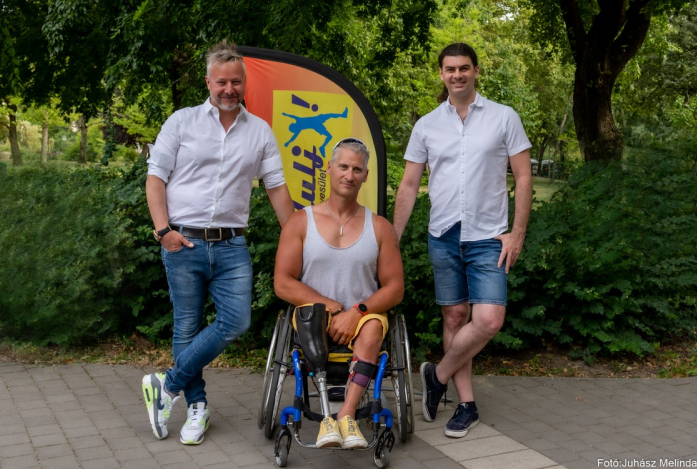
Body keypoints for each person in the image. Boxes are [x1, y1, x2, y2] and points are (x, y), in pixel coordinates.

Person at [141, 41, 294, 445]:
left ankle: (166, 385)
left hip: (232, 246)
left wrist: (299, 238)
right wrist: (163, 231)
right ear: (208, 82)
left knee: (237, 321)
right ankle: (197, 407)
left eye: (236, 82)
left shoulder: (259, 131)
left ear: (244, 83)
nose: (229, 89)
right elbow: (155, 178)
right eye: (221, 82)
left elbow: (277, 189)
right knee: (186, 327)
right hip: (183, 242)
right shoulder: (182, 122)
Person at [393, 43, 532, 439]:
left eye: (464, 68)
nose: (457, 75)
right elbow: (409, 184)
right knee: (454, 317)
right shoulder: (426, 125)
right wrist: (392, 238)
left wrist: (518, 232)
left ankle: (436, 376)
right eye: (450, 69)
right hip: (443, 234)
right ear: (441, 74)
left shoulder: (504, 117)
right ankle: (466, 404)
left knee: (488, 320)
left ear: (476, 71)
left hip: (489, 235)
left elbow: (524, 177)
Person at [274, 138, 404, 449]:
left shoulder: (379, 227)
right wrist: (330, 306)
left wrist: (357, 311)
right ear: (329, 168)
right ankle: (327, 417)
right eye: (343, 166)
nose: (349, 174)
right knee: (311, 319)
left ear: (366, 176)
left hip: (363, 317)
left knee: (373, 326)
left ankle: (345, 415)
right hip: (314, 314)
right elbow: (283, 282)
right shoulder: (300, 221)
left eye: (357, 169)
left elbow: (395, 287)